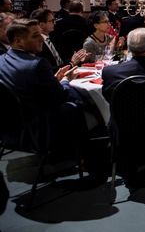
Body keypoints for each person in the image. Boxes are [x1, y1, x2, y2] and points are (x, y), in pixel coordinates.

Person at [0, 19, 87, 154]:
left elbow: (29, 86)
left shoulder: (2, 60)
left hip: (10, 126)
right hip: (40, 125)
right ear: (18, 41)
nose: (42, 39)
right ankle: (83, 153)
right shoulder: (38, 64)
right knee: (79, 101)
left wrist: (53, 80)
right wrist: (65, 79)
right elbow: (60, 97)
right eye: (35, 36)